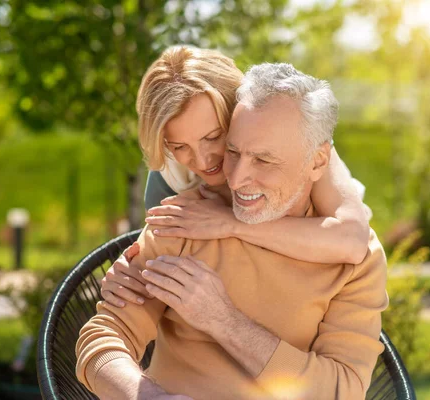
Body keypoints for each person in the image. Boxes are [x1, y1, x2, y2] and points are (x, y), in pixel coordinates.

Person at [75, 63, 388, 399]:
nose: (235, 180)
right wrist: (150, 396)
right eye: (233, 152)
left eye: (264, 160)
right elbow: (104, 338)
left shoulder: (355, 257)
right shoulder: (186, 221)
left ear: (317, 162)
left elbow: (340, 391)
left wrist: (224, 320)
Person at [100, 46, 372, 308]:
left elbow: (351, 240)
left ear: (239, 109)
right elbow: (159, 263)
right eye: (180, 147)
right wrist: (131, 274)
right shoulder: (169, 180)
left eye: (214, 137)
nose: (203, 161)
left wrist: (231, 224)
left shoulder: (296, 137)